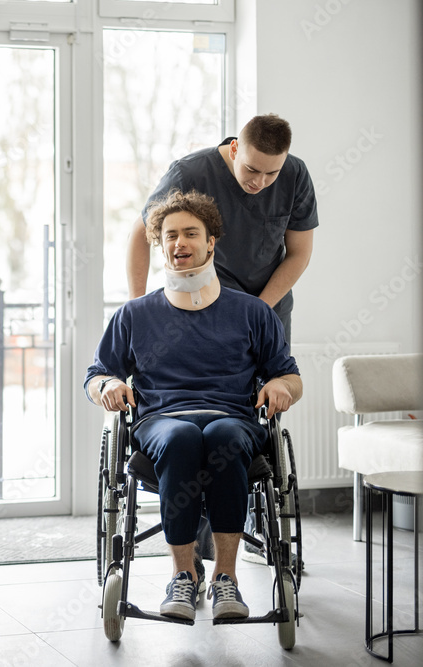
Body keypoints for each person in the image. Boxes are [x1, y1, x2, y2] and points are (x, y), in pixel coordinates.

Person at [86, 189, 302, 622]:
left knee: (222, 434)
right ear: (160, 243)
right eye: (170, 236)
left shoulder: (251, 312)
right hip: (163, 422)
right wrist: (108, 384)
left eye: (190, 233)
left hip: (233, 421)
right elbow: (96, 375)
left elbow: (290, 377)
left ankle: (226, 578)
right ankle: (183, 575)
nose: (179, 243)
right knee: (183, 436)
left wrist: (282, 387)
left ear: (211, 242)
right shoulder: (135, 315)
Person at [126, 113, 317, 343]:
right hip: (205, 307)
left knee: (276, 378)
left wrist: (259, 310)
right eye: (252, 170)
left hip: (271, 307)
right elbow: (140, 232)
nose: (260, 182)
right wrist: (135, 310)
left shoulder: (295, 174)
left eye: (271, 174)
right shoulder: (188, 174)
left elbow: (300, 253)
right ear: (234, 149)